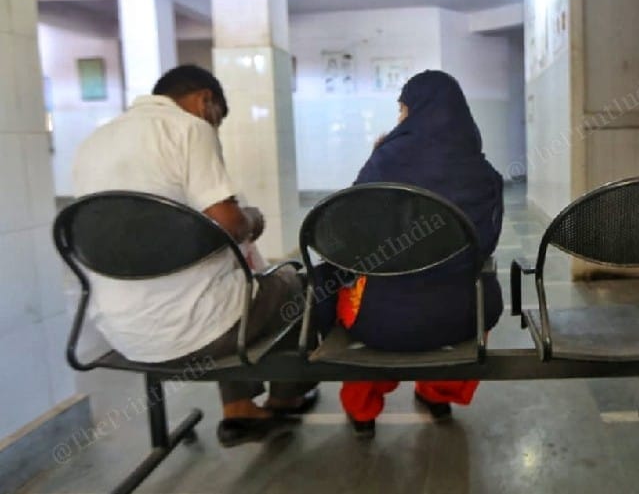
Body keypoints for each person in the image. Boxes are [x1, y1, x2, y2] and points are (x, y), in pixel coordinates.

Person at [72, 64, 318, 447]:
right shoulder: (189, 129)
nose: (215, 128)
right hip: (197, 335)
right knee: (293, 286)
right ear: (206, 100)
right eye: (218, 118)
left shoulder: (94, 141)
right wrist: (254, 218)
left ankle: (240, 408)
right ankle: (285, 398)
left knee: (226, 285)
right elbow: (231, 224)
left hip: (121, 334)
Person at [315, 69, 504, 437]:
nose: (401, 119)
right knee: (476, 280)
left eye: (403, 110)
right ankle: (438, 394)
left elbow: (345, 236)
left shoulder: (385, 161)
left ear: (415, 110)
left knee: (348, 282)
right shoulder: (483, 172)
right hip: (462, 316)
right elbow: (485, 244)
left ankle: (363, 411)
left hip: (378, 322)